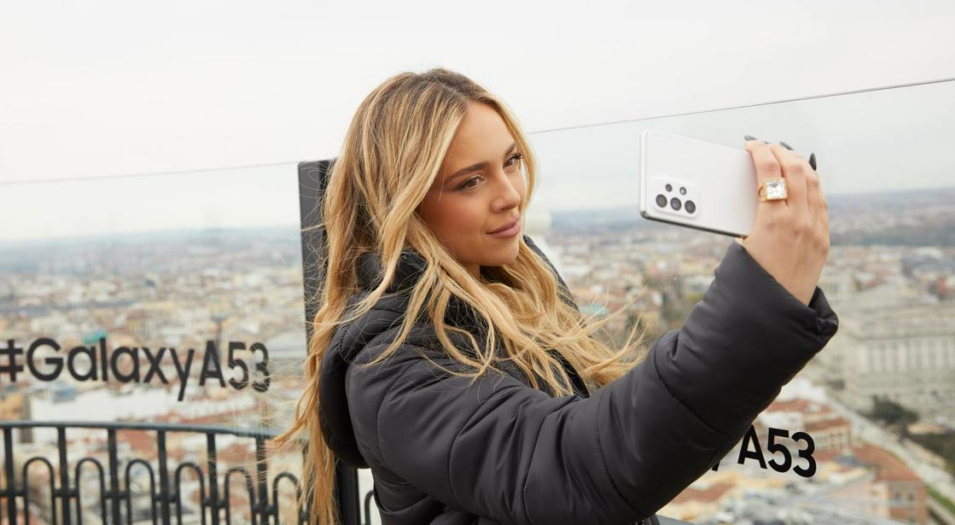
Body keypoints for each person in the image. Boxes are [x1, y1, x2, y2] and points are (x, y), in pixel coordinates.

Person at [271, 67, 840, 525]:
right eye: (471, 181)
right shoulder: (393, 366)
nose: (510, 195)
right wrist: (760, 297)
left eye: (511, 161)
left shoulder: (513, 291)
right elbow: (576, 467)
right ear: (403, 203)